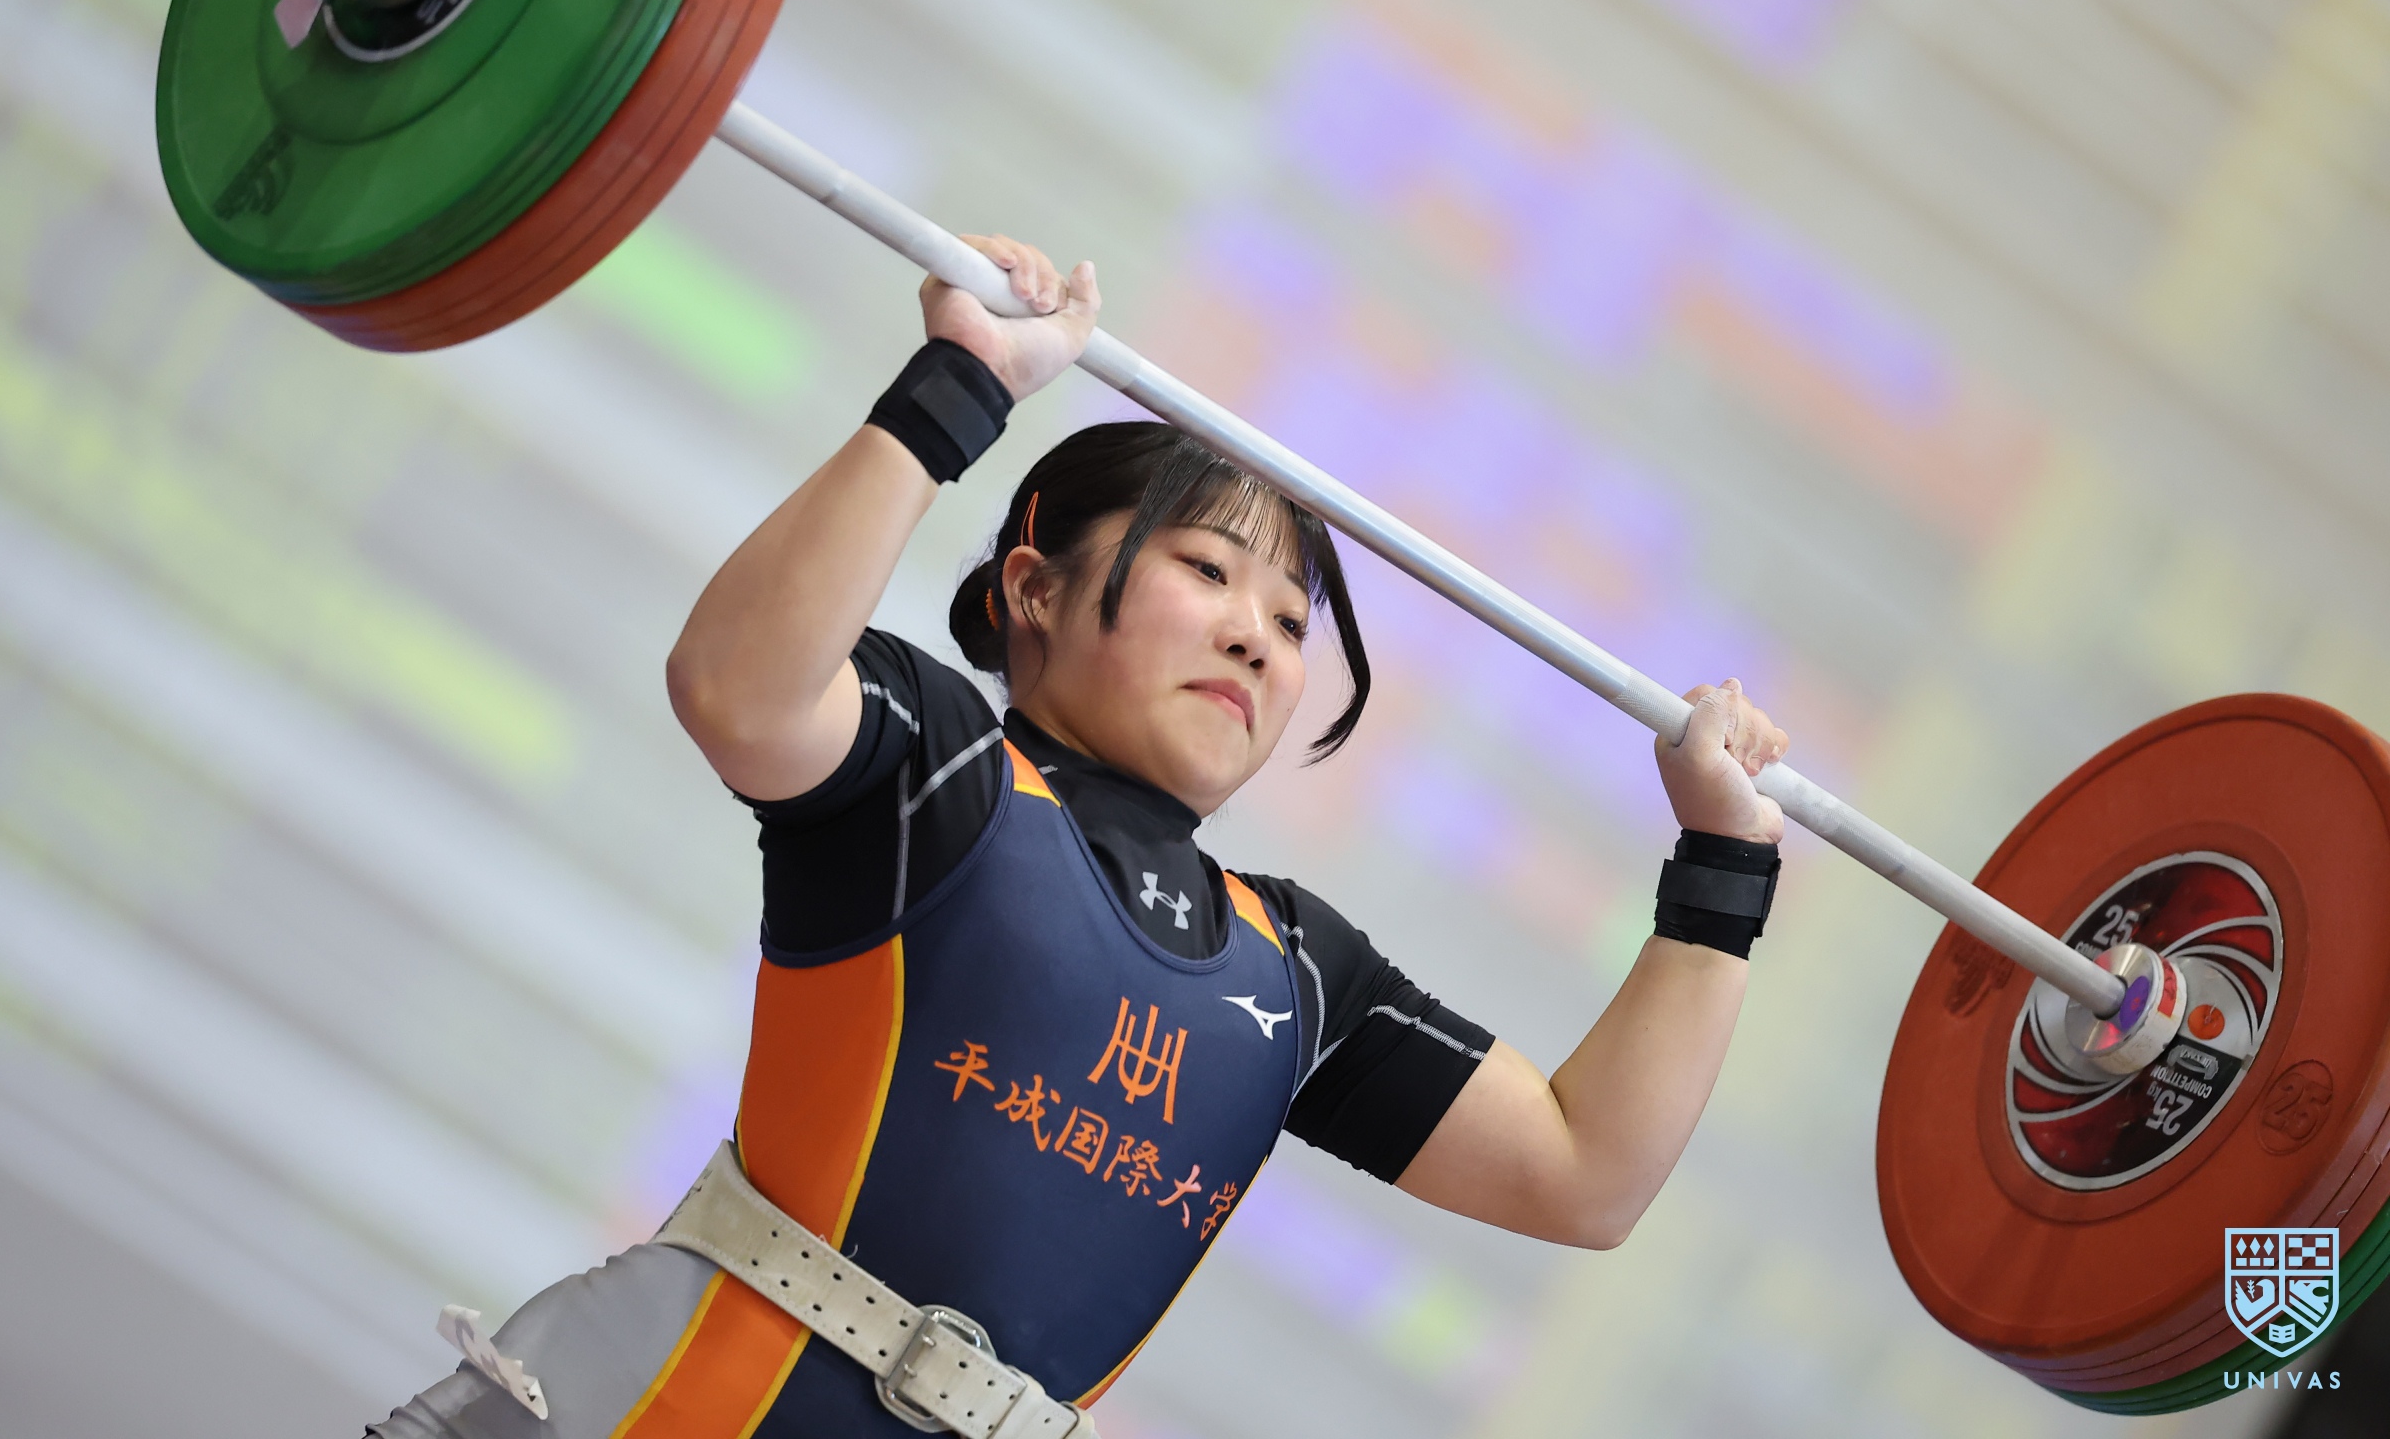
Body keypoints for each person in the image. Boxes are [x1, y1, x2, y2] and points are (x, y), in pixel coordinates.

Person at [369, 237, 1787, 1439]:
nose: (1257, 636)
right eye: (1208, 569)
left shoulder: (1297, 969)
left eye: (1292, 623)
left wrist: (1724, 864)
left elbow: (1584, 1175)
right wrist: (963, 383)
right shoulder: (940, 766)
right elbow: (736, 688)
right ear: (1035, 589)